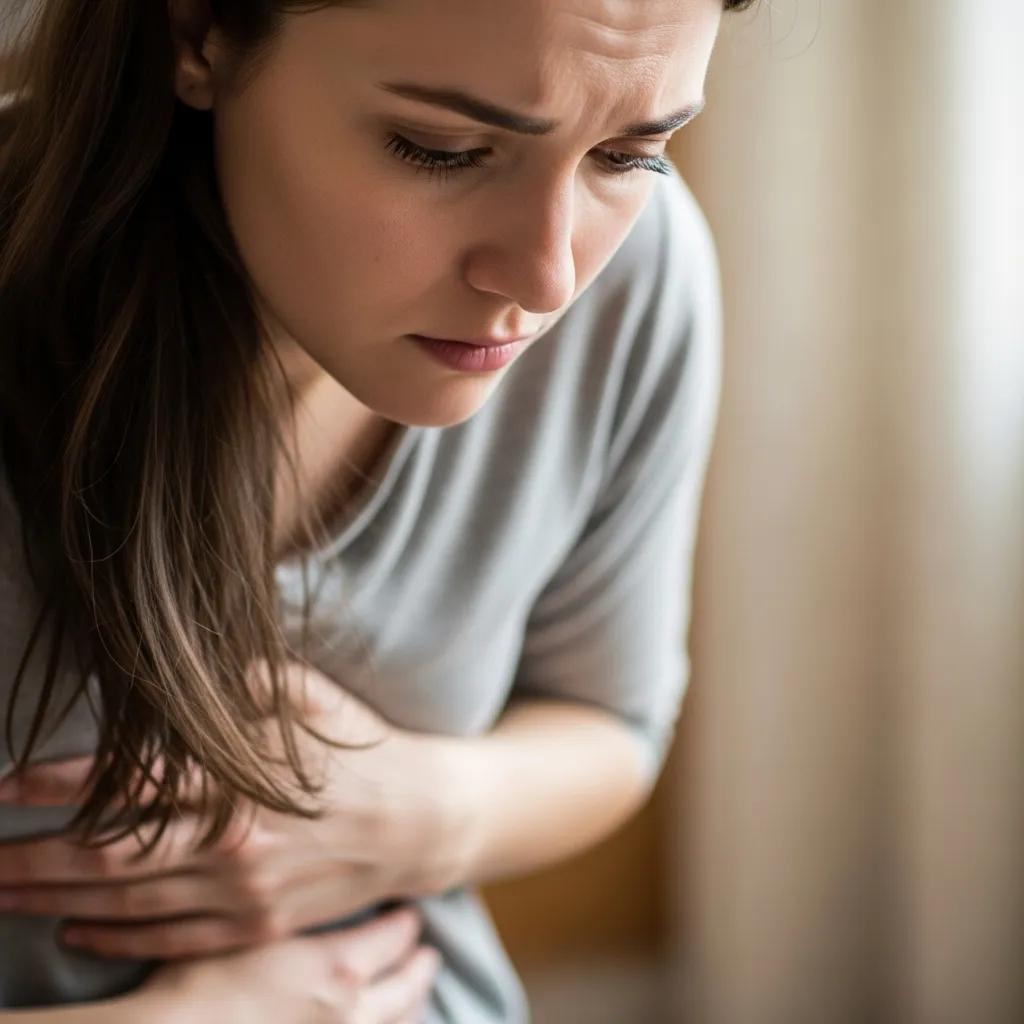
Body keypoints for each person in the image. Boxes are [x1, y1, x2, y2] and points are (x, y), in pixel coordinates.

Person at [0, 0, 752, 1020]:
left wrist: (427, 814)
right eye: (441, 149)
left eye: (628, 155)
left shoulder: (639, 278)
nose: (549, 278)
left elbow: (612, 722)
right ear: (197, 33)